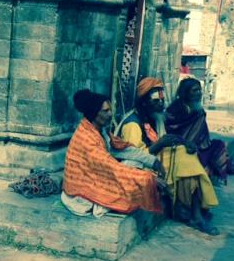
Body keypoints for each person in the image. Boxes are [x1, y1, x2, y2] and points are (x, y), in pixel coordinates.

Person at [117, 77, 219, 235]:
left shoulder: (154, 118)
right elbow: (132, 156)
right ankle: (195, 214)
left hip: (156, 159)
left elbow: (165, 140)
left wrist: (184, 142)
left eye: (162, 99)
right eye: (156, 100)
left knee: (187, 157)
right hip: (140, 166)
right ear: (144, 102)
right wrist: (159, 145)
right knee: (185, 161)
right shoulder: (133, 124)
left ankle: (192, 211)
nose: (161, 104)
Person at [62, 89, 163, 217]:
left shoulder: (101, 131)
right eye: (105, 111)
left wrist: (153, 161)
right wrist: (148, 179)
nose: (110, 114)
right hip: (80, 190)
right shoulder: (87, 138)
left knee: (136, 164)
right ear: (94, 113)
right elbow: (111, 167)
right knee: (134, 185)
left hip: (98, 174)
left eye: (110, 110)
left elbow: (125, 150)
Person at [165, 77, 230, 183]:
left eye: (200, 90)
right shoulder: (175, 109)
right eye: (195, 90)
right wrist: (185, 143)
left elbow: (201, 136)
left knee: (219, 146)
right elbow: (171, 130)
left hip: (198, 146)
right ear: (186, 93)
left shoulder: (199, 112)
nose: (199, 93)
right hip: (178, 147)